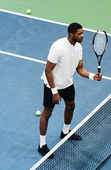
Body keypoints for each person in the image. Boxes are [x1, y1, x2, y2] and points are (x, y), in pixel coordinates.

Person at [38, 22, 102, 158]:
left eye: (82, 33)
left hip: (67, 83)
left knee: (71, 105)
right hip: (52, 86)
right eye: (79, 34)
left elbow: (79, 68)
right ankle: (42, 145)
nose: (82, 36)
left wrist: (92, 76)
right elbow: (48, 70)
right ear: (71, 34)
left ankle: (65, 132)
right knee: (47, 113)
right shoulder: (58, 47)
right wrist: (54, 92)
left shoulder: (78, 48)